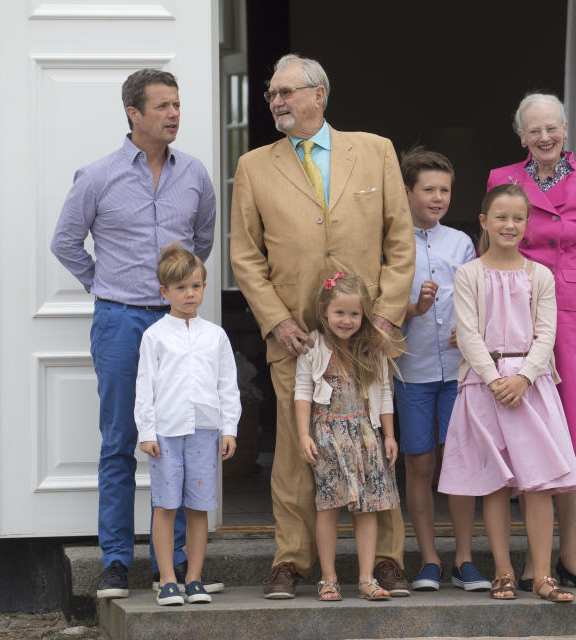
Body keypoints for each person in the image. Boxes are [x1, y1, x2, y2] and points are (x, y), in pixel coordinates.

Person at [229, 53, 415, 599]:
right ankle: (291, 560)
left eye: (286, 92)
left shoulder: (376, 150)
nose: (277, 102)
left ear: (319, 96)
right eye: (271, 95)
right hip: (295, 335)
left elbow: (400, 242)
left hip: (365, 333)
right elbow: (245, 256)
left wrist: (383, 316)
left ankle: (384, 560)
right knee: (295, 447)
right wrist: (276, 319)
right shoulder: (254, 165)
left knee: (375, 443)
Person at [50, 69, 217, 599]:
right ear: (134, 113)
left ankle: (177, 567)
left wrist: (179, 294)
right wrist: (103, 284)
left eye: (177, 105)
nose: (173, 114)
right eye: (163, 106)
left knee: (184, 438)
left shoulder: (194, 174)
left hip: (178, 324)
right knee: (122, 440)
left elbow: (203, 240)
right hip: (120, 321)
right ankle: (117, 562)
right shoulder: (97, 176)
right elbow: (66, 242)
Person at [486, 93, 576, 591]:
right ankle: (532, 559)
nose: (544, 138)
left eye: (553, 129)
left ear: (566, 130)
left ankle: (569, 554)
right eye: (534, 130)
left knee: (571, 439)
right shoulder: (502, 180)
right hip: (516, 313)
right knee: (524, 432)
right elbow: (491, 249)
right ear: (520, 135)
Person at [438, 183, 576, 603]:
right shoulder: (469, 275)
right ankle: (503, 570)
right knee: (496, 483)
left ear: (527, 224)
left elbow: (546, 333)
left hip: (531, 387)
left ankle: (541, 574)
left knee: (538, 483)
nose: (509, 224)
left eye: (518, 218)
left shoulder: (539, 275)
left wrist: (522, 378)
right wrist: (494, 378)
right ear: (483, 221)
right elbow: (466, 333)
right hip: (485, 388)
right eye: (500, 217)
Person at [394, 148, 488, 592]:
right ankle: (429, 559)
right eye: (428, 189)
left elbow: (475, 298)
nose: (437, 198)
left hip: (457, 371)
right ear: (407, 190)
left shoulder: (461, 243)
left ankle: (465, 559)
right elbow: (380, 307)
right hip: (412, 371)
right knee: (419, 463)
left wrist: (464, 330)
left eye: (444, 190)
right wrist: (416, 308)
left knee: (460, 461)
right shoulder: (391, 243)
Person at [135, 243, 240, 606]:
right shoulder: (155, 336)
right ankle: (167, 579)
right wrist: (146, 432)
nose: (189, 294)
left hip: (205, 432)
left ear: (204, 287)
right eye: (180, 288)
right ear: (165, 292)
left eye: (195, 286)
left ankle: (193, 578)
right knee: (166, 505)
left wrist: (230, 429)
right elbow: (144, 387)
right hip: (166, 433)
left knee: (198, 507)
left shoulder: (216, 336)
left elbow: (228, 385)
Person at [295, 272, 400, 602]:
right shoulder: (314, 345)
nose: (347, 320)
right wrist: (303, 434)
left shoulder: (371, 348)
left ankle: (367, 577)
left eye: (354, 314)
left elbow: (383, 390)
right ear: (325, 309)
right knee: (328, 507)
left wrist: (389, 435)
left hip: (366, 435)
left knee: (367, 508)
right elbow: (302, 391)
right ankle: (328, 579)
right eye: (340, 312)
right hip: (327, 434)